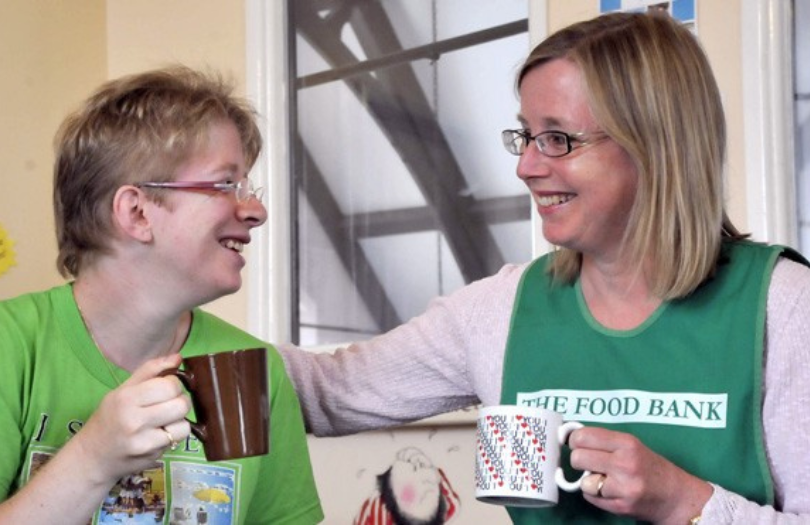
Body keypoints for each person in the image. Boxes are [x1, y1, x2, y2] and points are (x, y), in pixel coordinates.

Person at [278, 11, 810, 524]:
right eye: (526, 136)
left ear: (654, 145)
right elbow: (327, 393)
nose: (526, 166)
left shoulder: (784, 307)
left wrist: (682, 503)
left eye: (558, 139)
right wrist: (212, 294)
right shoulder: (499, 310)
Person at [0, 66, 323, 524]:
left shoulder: (251, 369)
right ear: (136, 212)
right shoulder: (10, 347)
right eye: (226, 185)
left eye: (248, 187)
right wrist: (93, 458)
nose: (256, 210)